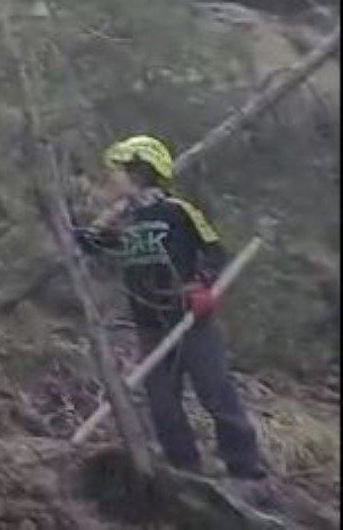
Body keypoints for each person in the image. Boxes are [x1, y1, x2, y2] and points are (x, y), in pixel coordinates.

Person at [76, 134, 266, 481]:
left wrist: (203, 284)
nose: (111, 177)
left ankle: (245, 466)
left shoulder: (178, 211)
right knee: (162, 401)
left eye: (117, 170)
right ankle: (184, 470)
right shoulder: (123, 219)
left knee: (215, 390)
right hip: (148, 322)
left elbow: (214, 250)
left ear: (139, 171)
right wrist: (86, 240)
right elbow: (104, 247)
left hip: (191, 318)